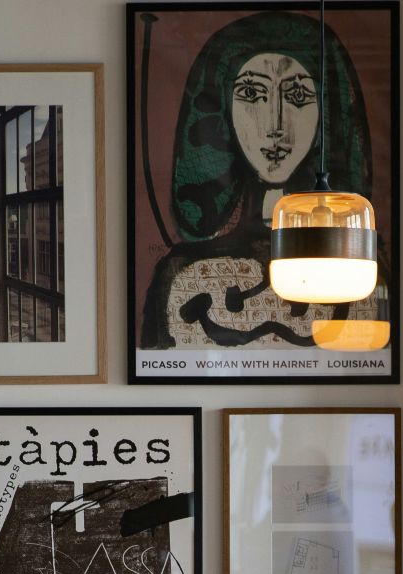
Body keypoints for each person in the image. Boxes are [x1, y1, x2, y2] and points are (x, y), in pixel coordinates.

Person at [138, 10, 388, 350]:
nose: (275, 125)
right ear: (223, 108)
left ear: (326, 114)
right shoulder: (181, 273)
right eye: (253, 95)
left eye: (298, 97)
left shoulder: (364, 272)